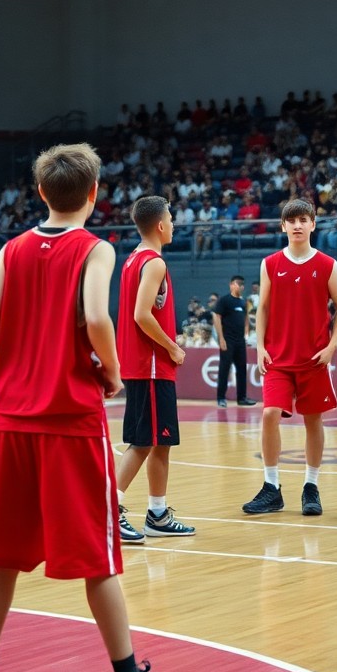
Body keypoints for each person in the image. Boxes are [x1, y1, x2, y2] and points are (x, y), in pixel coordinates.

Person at [0, 144, 157, 672]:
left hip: (11, 421)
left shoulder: (12, 249)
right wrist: (114, 371)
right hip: (70, 418)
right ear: (94, 195)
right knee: (98, 558)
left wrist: (26, 348)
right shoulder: (96, 249)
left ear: (41, 192)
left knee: (0, 557)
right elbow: (98, 316)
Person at [242, 199, 337, 518]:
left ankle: (311, 485)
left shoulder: (328, 265)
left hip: (314, 358)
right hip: (278, 358)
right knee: (269, 414)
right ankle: (271, 487)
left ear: (313, 224)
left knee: (314, 420)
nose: (298, 225)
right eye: (292, 220)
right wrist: (260, 346)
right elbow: (262, 308)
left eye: (304, 219)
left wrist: (332, 346)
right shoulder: (271, 263)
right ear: (283, 226)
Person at [114, 196, 195, 545]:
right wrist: (172, 346)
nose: (174, 225)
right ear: (160, 225)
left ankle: (157, 514)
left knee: (160, 443)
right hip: (149, 366)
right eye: (172, 219)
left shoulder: (133, 259)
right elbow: (141, 315)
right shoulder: (153, 263)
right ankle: (110, 510)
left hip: (146, 367)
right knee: (142, 442)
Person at [213, 274, 253, 407]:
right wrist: (221, 338)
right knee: (224, 369)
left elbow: (246, 318)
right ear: (231, 285)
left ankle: (242, 398)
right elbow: (217, 318)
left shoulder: (243, 302)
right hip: (228, 340)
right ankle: (221, 398)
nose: (240, 287)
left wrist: (246, 332)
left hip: (240, 341)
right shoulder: (224, 301)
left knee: (242, 369)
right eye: (237, 284)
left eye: (242, 285)